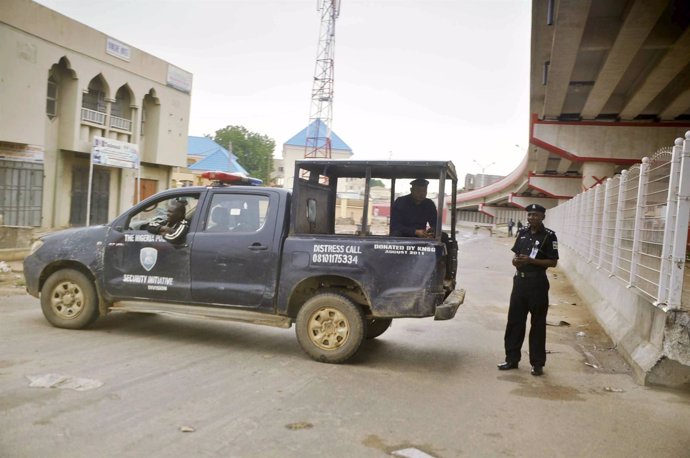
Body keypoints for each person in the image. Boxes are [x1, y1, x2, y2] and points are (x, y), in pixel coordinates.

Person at [498, 204, 559, 376]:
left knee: (538, 324)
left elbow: (553, 262)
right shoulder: (523, 233)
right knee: (515, 322)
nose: (532, 218)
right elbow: (515, 256)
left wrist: (532, 261)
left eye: (536, 215)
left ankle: (537, 363)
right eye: (530, 215)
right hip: (520, 283)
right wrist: (516, 261)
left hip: (538, 284)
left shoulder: (549, 236)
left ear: (543, 217)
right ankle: (511, 359)